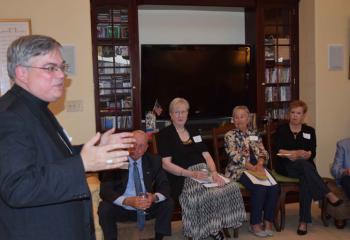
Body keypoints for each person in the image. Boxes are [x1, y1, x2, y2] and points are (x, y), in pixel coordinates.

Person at [0, 35, 135, 240]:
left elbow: (52, 157)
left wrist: (97, 148)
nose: (62, 75)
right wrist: (82, 163)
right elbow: (18, 187)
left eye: (62, 66)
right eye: (50, 68)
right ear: (22, 73)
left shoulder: (37, 108)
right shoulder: (9, 115)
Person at [157, 97, 246, 240]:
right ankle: (213, 229)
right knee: (209, 193)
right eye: (177, 112)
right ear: (171, 115)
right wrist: (191, 173)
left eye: (183, 112)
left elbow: (207, 155)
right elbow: (166, 164)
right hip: (183, 176)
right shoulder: (165, 135)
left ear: (187, 113)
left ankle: (216, 225)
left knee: (231, 187)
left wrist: (215, 173)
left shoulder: (193, 131)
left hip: (204, 172)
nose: (180, 115)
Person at [274, 100, 342, 235]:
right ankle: (327, 193)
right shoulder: (281, 129)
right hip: (286, 166)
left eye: (298, 113)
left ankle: (303, 221)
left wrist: (306, 154)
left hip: (304, 167)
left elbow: (312, 152)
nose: (294, 116)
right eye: (292, 112)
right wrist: (293, 154)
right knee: (305, 166)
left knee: (305, 174)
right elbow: (278, 150)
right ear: (289, 114)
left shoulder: (309, 131)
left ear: (303, 115)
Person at [98, 130, 173, 240]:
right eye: (133, 144)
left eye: (141, 146)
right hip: (123, 207)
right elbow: (105, 190)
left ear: (146, 148)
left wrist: (153, 198)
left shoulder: (154, 161)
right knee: (104, 208)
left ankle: (158, 237)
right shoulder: (117, 161)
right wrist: (127, 201)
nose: (136, 149)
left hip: (147, 206)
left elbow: (165, 185)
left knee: (168, 202)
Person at [224, 105, 279, 238]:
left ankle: (268, 221)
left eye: (242, 116)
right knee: (259, 188)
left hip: (258, 168)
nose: (239, 119)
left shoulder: (255, 133)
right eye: (236, 117)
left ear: (248, 118)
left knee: (274, 187)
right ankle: (255, 224)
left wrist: (260, 163)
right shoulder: (230, 135)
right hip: (239, 169)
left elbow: (263, 152)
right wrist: (250, 166)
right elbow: (233, 155)